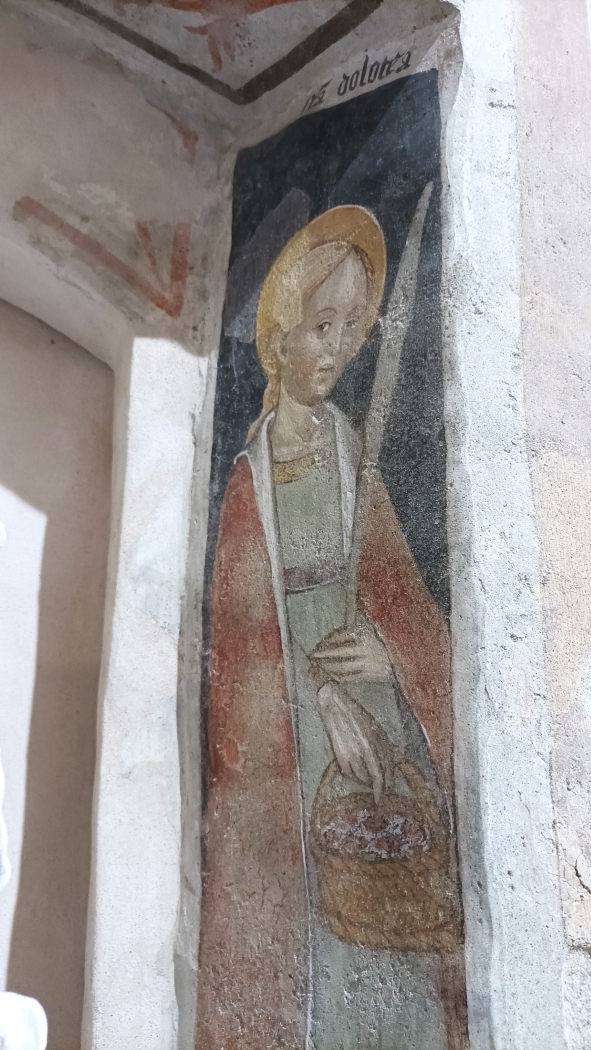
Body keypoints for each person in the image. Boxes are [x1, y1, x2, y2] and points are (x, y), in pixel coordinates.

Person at [196, 206, 465, 1049]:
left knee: (397, 928)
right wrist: (320, 701)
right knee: (326, 956)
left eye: (352, 328)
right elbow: (238, 653)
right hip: (293, 745)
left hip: (377, 731)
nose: (337, 349)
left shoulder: (356, 456)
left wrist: (391, 658)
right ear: (279, 336)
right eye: (321, 326)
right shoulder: (248, 486)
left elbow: (401, 600)